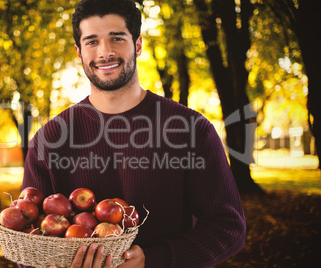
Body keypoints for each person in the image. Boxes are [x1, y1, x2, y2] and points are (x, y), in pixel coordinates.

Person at [19, 0, 246, 267]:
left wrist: (154, 260)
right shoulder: (49, 140)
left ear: (137, 45)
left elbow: (228, 227)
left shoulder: (191, 129)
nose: (105, 52)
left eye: (117, 38)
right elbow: (27, 242)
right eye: (92, 42)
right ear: (79, 52)